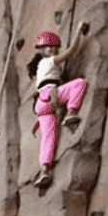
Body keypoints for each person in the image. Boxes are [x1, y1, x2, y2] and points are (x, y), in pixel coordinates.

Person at [27, 23, 89, 188]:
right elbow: (71, 51)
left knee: (49, 137)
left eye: (56, 47)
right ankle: (71, 112)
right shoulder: (48, 62)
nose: (54, 50)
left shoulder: (42, 66)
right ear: (42, 50)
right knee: (79, 84)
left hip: (42, 104)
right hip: (50, 96)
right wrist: (78, 30)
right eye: (50, 47)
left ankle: (44, 171)